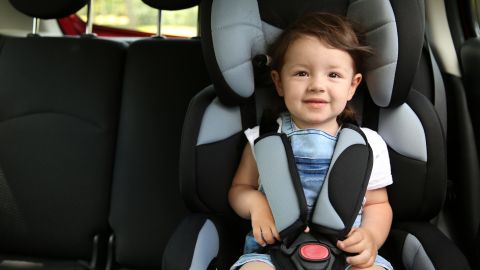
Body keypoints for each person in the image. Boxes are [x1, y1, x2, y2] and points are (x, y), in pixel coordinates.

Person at [228, 12, 394, 270]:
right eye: (302, 73)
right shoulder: (262, 139)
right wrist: (256, 204)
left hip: (345, 254)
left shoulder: (368, 145)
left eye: (334, 75)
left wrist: (371, 236)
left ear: (353, 85)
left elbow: (377, 203)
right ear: (278, 81)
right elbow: (240, 189)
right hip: (273, 251)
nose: (317, 85)